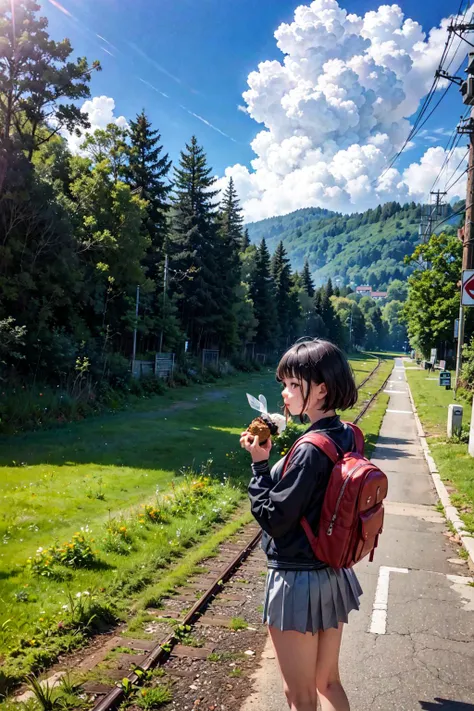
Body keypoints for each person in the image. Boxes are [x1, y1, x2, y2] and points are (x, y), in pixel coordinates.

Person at [240, 338, 362, 711]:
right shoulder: (347, 434)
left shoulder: (310, 448)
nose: (286, 393)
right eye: (286, 384)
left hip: (296, 583)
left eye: (295, 385)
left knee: (300, 695)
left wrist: (260, 466)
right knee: (328, 682)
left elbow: (274, 520)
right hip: (332, 574)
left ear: (322, 389)